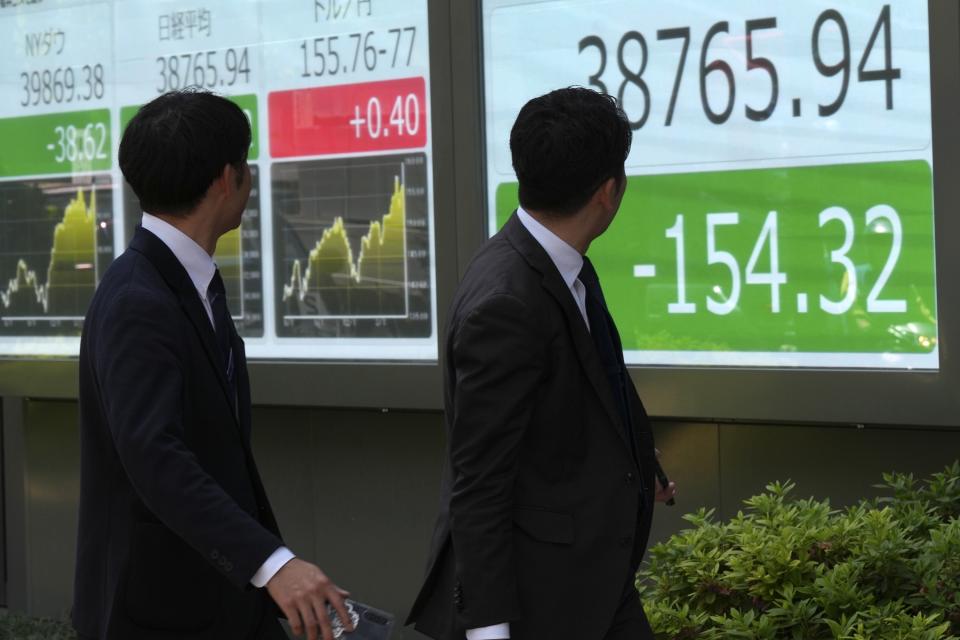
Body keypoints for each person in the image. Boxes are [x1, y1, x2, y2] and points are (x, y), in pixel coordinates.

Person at [73, 90, 352, 640]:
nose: (250, 180)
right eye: (246, 166)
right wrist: (272, 564)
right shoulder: (138, 300)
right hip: (158, 613)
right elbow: (155, 457)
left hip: (210, 600)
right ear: (227, 179)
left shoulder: (185, 281)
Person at [406, 87, 677, 640]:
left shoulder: (557, 262)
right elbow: (478, 480)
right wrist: (489, 631)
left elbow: (590, 379)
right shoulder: (508, 301)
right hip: (542, 600)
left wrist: (634, 455)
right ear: (608, 191)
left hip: (589, 582)